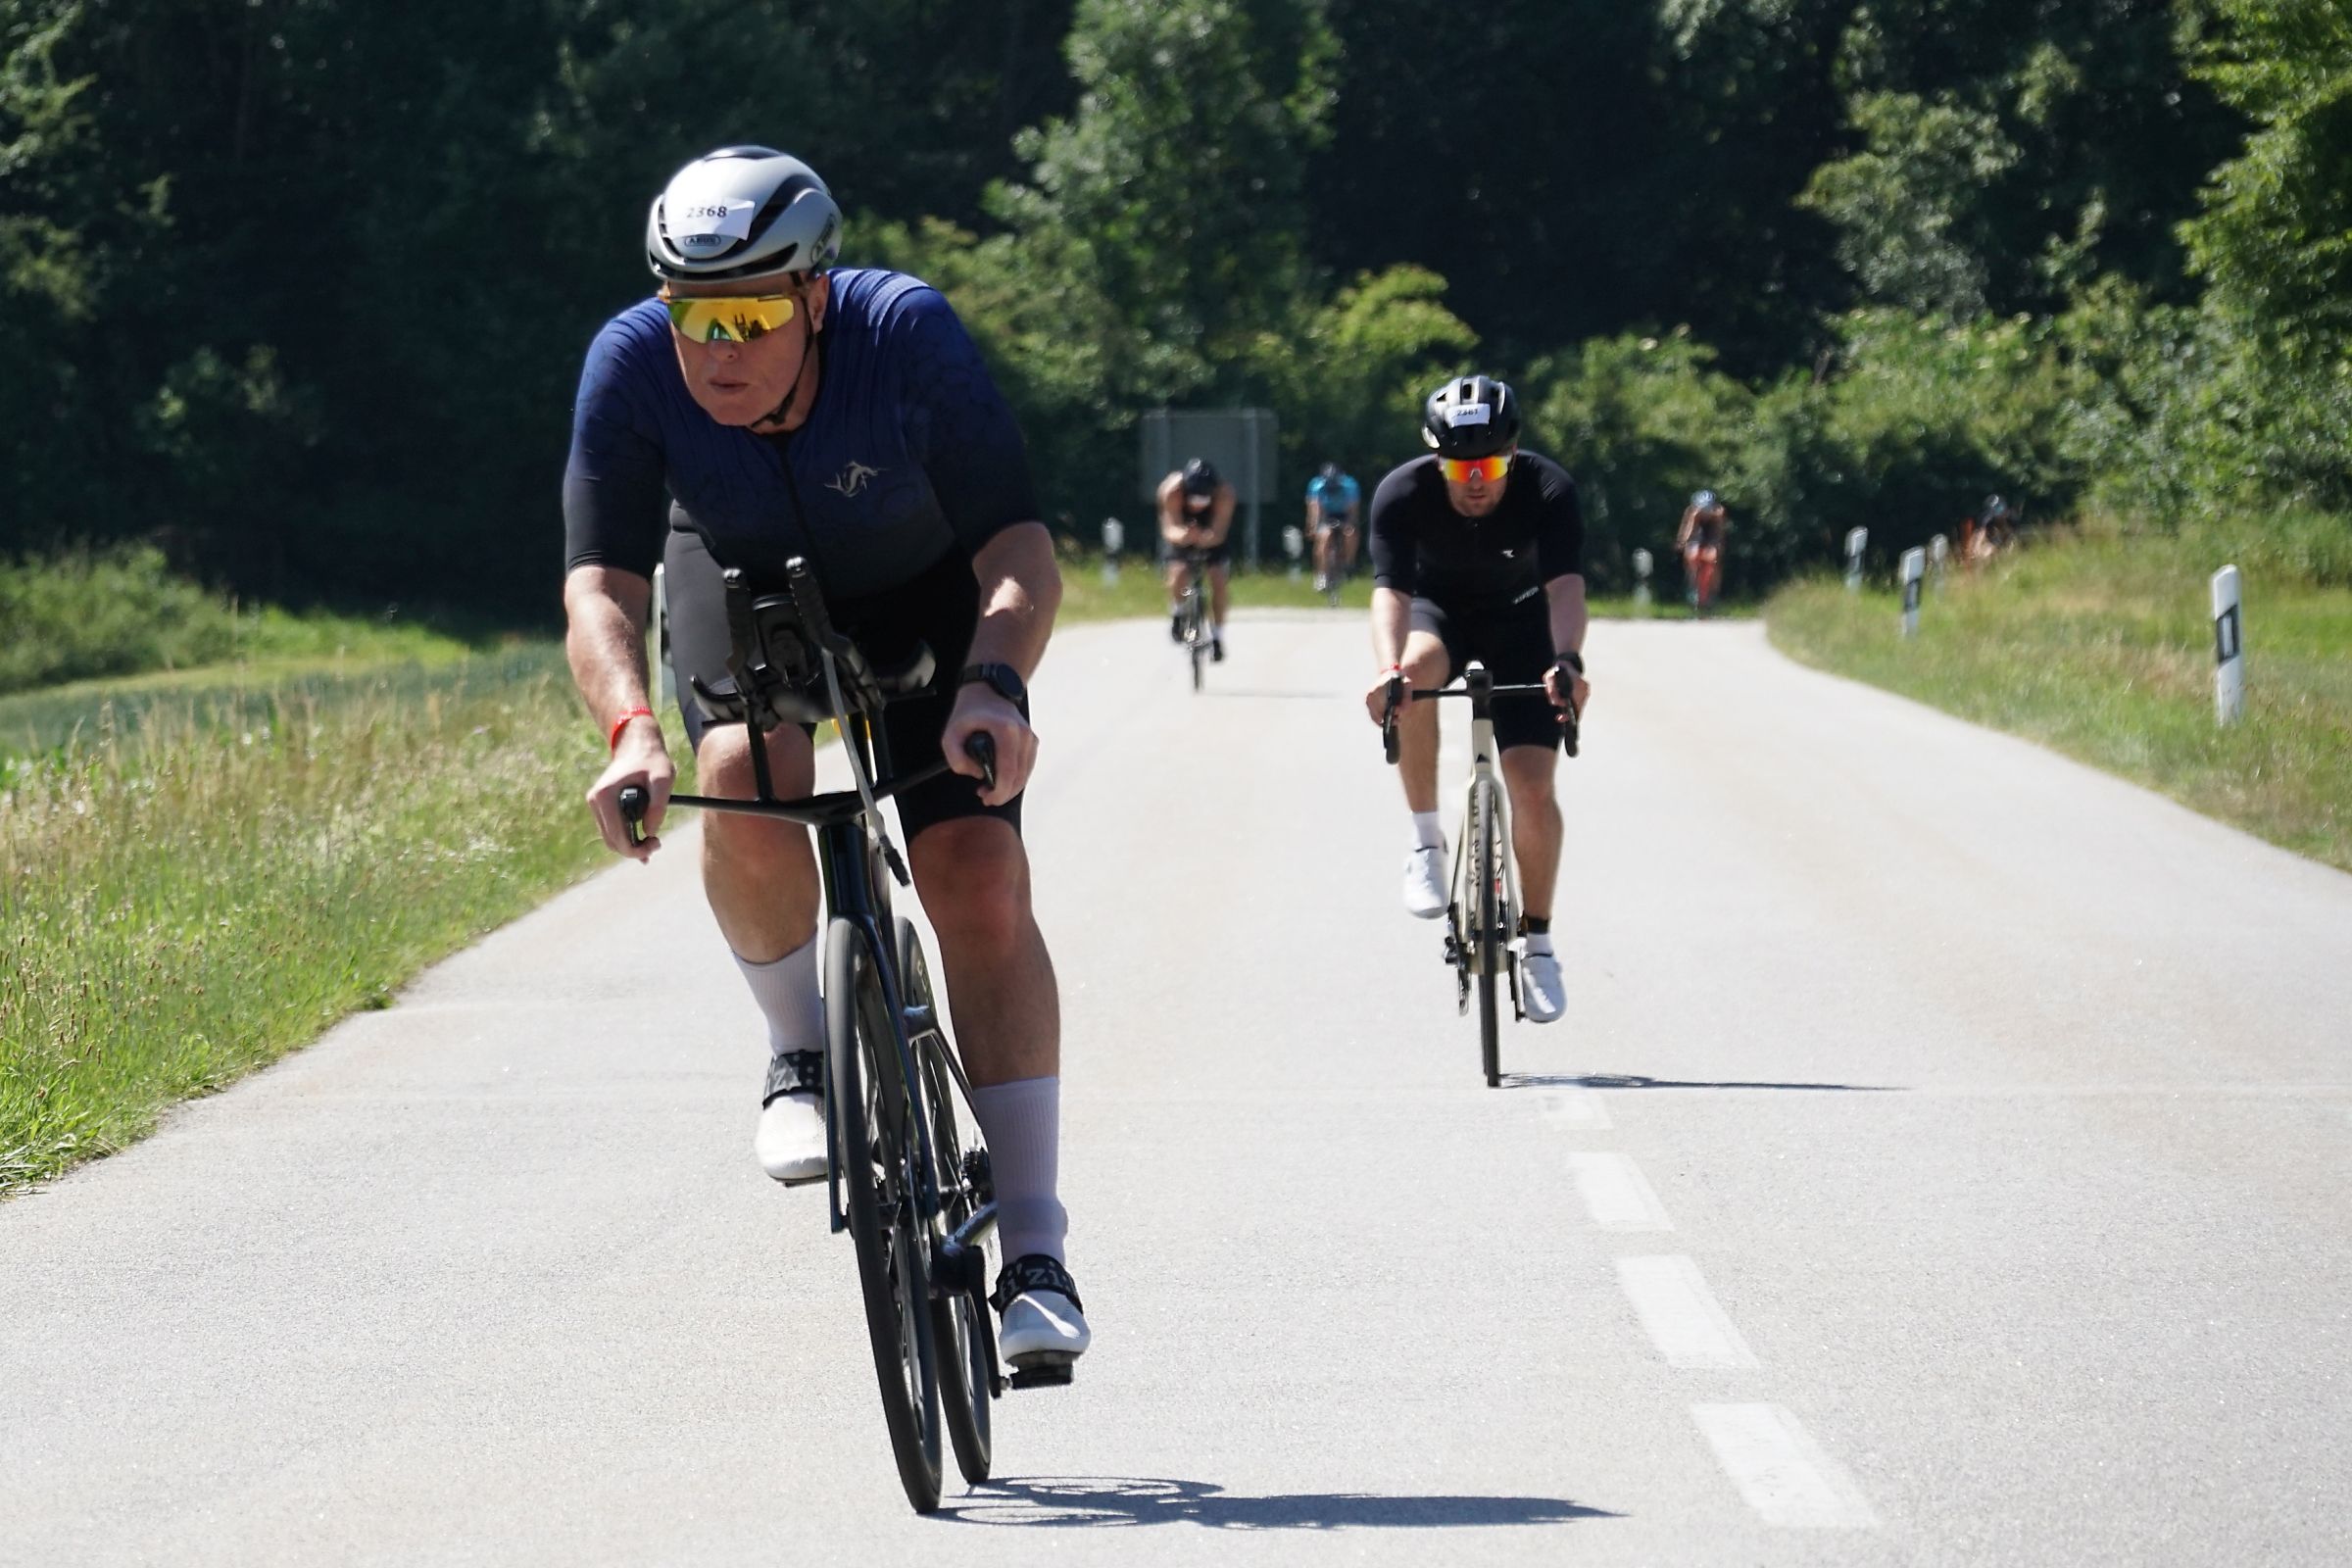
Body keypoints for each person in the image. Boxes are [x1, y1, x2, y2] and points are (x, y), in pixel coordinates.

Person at [560, 146, 1087, 1372]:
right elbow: (600, 586)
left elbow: (1019, 551)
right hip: (740, 575)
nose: (716, 351)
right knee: (742, 773)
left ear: (814, 295)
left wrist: (995, 683)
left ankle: (1037, 1249)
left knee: (975, 874)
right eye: (693, 315)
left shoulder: (904, 335)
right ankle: (799, 1051)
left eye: (748, 316)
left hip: (922, 589)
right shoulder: (631, 363)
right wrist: (632, 730)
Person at [1362, 375, 1590, 1025]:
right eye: (1460, 468)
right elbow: (1390, 592)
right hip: (1438, 614)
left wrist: (1568, 661)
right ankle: (1425, 841)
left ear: (1512, 455)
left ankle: (1539, 943)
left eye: (1489, 467)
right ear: (1437, 460)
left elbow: (1566, 587)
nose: (1476, 482)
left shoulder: (1548, 489)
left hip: (1523, 623)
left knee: (1532, 790)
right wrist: (1388, 670)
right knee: (1412, 678)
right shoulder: (1402, 493)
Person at [1157, 457, 1235, 660]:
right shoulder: (1172, 491)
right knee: (1179, 572)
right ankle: (1178, 613)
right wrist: (1184, 536)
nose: (1197, 505)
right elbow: (1169, 529)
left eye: (1203, 499)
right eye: (1194, 499)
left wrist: (1206, 537)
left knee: (1218, 580)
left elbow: (1219, 531)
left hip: (1211, 533)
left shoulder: (1224, 494)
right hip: (1182, 530)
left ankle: (1217, 636)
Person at [1306, 461, 1362, 593]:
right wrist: (1313, 527)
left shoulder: (1350, 485)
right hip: (1326, 514)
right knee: (1324, 537)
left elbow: (1353, 511)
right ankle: (1322, 574)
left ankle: (1349, 563)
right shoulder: (1317, 486)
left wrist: (1350, 524)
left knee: (1351, 534)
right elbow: (1314, 509)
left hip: (1343, 514)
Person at [1675, 489, 1730, 613]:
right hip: (1696, 538)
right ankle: (1692, 583)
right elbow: (1687, 531)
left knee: (1712, 559)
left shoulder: (1718, 513)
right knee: (1692, 555)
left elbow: (1719, 534)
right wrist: (1682, 541)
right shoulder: (1691, 512)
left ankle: (1712, 592)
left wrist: (1718, 546)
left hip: (1710, 539)